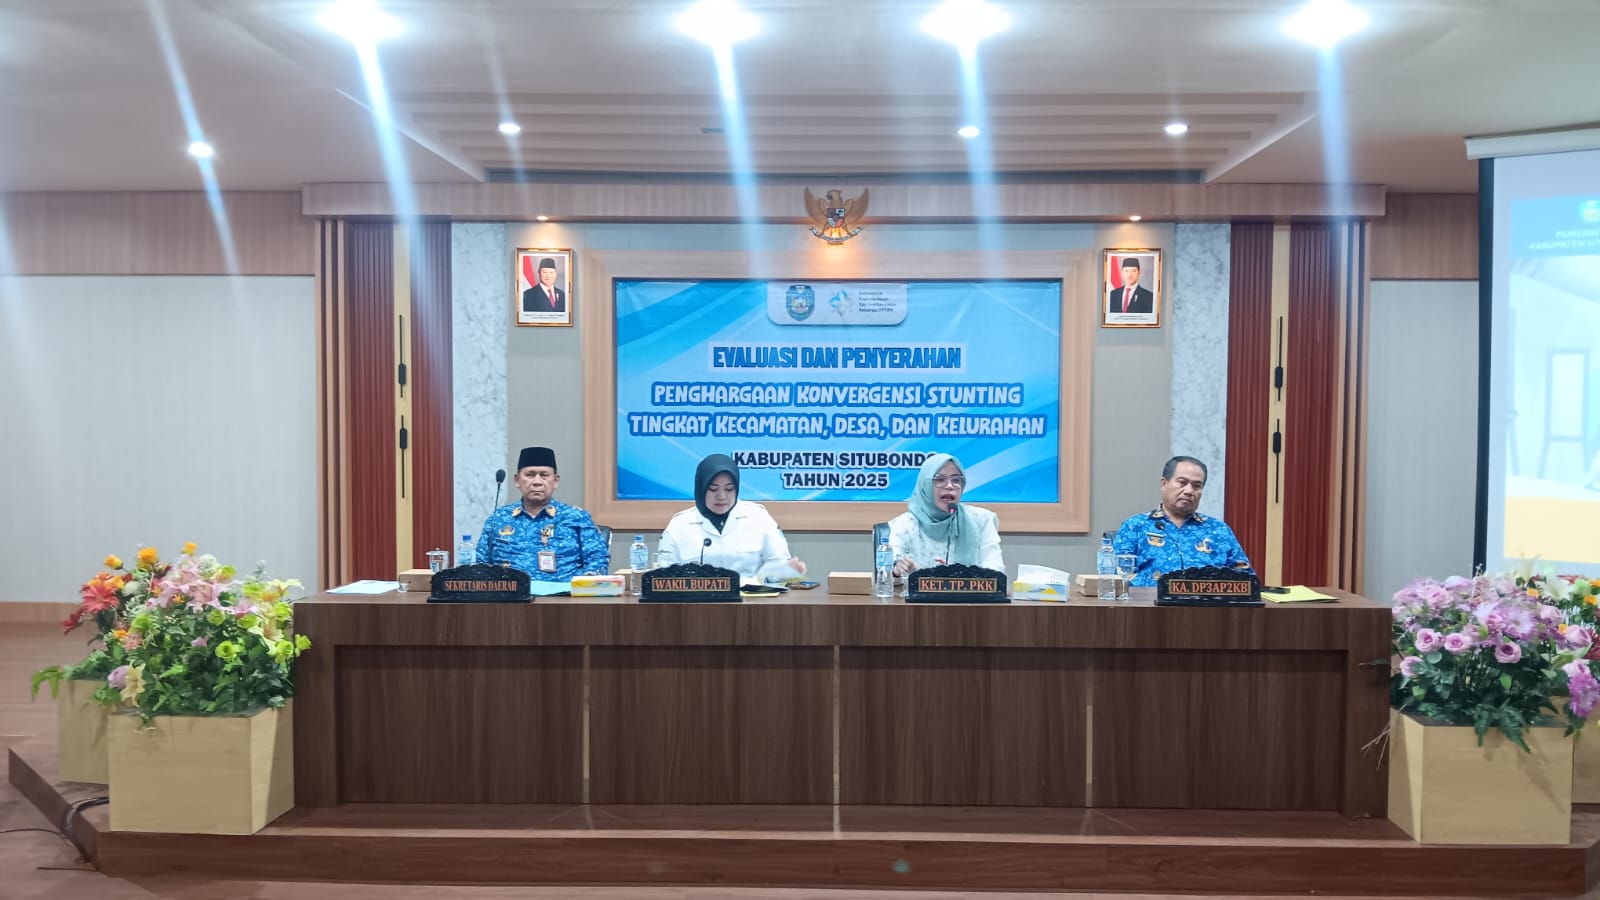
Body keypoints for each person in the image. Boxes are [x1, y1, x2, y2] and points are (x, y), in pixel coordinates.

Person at [656, 453, 806, 582]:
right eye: (713, 489)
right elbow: (662, 578)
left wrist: (785, 571)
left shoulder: (759, 517)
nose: (722, 496)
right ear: (701, 488)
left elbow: (778, 565)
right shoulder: (679, 525)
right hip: (696, 603)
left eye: (729, 489)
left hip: (751, 602)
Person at [1112, 455, 1252, 587]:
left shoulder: (1218, 530)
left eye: (1196, 486)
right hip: (1150, 602)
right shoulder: (1135, 526)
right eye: (1182, 483)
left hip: (1208, 603)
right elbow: (1117, 577)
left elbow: (1246, 578)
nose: (1189, 491)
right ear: (1164, 484)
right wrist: (1167, 588)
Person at [475, 446, 608, 581]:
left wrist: (586, 582)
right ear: (517, 480)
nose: (537, 482)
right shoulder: (498, 518)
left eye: (544, 475)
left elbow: (598, 560)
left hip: (564, 593)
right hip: (509, 593)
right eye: (530, 475)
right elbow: (480, 564)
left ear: (555, 481)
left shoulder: (576, 517)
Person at [888, 453, 1004, 575]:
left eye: (956, 480)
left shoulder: (981, 520)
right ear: (925, 485)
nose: (949, 486)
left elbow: (995, 569)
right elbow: (889, 571)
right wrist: (899, 570)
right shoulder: (904, 525)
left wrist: (959, 576)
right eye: (940, 479)